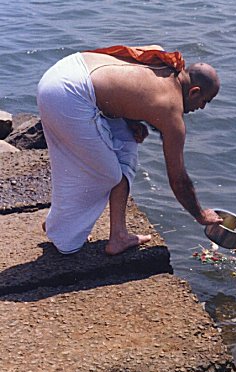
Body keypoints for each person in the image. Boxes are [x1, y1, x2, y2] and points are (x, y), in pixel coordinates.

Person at [37, 44, 222, 256]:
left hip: (66, 70)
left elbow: (123, 84)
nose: (202, 108)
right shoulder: (172, 113)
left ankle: (118, 235)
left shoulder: (162, 63)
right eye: (205, 101)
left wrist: (130, 119)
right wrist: (200, 215)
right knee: (106, 174)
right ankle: (60, 226)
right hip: (68, 94)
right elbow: (178, 180)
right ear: (194, 91)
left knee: (126, 144)